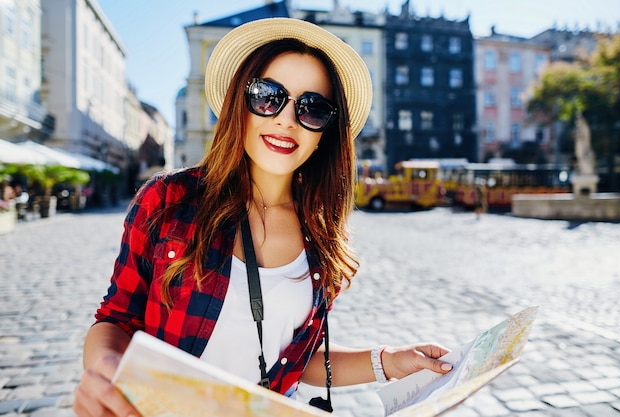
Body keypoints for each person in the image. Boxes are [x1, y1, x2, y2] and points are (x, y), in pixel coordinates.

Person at [73, 17, 452, 417]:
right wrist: (103, 370)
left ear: (326, 130)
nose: (286, 119)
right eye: (268, 96)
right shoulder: (168, 200)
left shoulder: (322, 238)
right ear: (241, 100)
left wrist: (390, 362)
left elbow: (294, 359)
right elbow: (116, 318)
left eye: (313, 108)